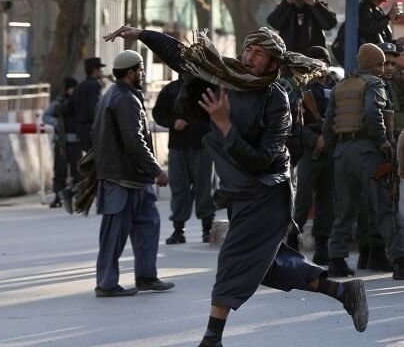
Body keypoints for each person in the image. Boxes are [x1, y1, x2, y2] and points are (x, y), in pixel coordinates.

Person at [104, 25, 369, 346]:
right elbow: (185, 58)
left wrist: (225, 125)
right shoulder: (229, 79)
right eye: (248, 50)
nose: (249, 58)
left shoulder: (277, 101)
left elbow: (264, 158)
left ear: (274, 64)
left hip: (268, 194)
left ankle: (211, 339)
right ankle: (342, 291)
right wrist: (141, 33)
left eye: (259, 54)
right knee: (268, 268)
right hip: (241, 194)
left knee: (232, 259)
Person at [90, 50, 174, 297]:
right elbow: (134, 141)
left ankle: (147, 277)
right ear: (131, 73)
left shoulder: (113, 95)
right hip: (122, 180)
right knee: (114, 234)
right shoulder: (125, 99)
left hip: (133, 179)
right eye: (140, 70)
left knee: (149, 225)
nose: (142, 74)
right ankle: (106, 284)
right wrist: (156, 169)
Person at [322, 43, 404, 280]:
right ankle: (399, 260)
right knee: (384, 206)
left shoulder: (341, 85)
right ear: (374, 64)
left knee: (344, 209)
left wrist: (333, 151)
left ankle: (336, 260)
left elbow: (328, 124)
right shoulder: (374, 84)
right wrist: (383, 141)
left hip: (342, 153)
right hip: (368, 152)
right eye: (381, 64)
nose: (383, 68)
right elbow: (372, 112)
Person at [152, 75, 216, 244]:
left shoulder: (208, 86)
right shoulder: (171, 89)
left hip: (203, 145)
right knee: (179, 188)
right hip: (178, 146)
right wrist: (173, 122)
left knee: (204, 189)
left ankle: (207, 229)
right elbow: (158, 112)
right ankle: (178, 230)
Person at [287, 46, 335, 265]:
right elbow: (294, 121)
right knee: (303, 200)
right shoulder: (302, 86)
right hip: (310, 150)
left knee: (327, 202)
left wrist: (329, 137)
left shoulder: (335, 86)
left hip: (331, 150)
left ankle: (322, 246)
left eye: (323, 61)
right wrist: (314, 139)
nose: (321, 66)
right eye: (316, 61)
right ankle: (292, 243)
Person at [332, 0, 401, 65]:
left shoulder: (378, 10)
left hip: (378, 61)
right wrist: (388, 17)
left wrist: (398, 42)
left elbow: (383, 39)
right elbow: (367, 30)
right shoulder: (363, 7)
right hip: (366, 62)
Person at [267, 0, 337, 55]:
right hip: (289, 57)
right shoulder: (285, 6)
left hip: (313, 58)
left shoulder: (318, 5)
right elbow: (273, 23)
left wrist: (314, 5)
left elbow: (330, 24)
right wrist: (287, 3)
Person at [42, 77, 81, 209]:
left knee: (78, 171)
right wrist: (57, 123)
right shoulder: (59, 103)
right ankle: (58, 196)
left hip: (76, 141)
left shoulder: (78, 102)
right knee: (60, 171)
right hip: (61, 143)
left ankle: (77, 196)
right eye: (72, 88)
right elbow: (46, 116)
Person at [72, 57, 106, 153]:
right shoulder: (94, 85)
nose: (101, 72)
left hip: (81, 130)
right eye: (100, 69)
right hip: (92, 130)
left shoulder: (79, 86)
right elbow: (95, 109)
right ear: (95, 70)